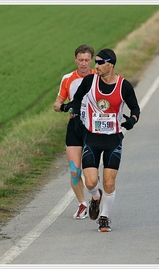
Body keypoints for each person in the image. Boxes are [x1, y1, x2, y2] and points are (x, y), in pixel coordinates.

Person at [70, 48, 140, 232]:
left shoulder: (123, 85)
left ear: (111, 64)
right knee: (91, 182)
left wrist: (131, 121)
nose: (96, 66)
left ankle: (104, 217)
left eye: (100, 62)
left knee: (109, 182)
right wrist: (77, 117)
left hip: (113, 140)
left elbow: (135, 109)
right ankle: (95, 196)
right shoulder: (90, 81)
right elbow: (77, 99)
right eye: (96, 62)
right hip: (92, 138)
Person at [53, 44, 96, 219]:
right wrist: (65, 107)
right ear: (75, 59)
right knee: (74, 171)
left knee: (90, 171)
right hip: (75, 126)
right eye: (80, 60)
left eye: (87, 60)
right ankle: (82, 204)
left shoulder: (98, 77)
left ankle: (96, 199)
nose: (84, 63)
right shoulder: (68, 78)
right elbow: (56, 105)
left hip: (93, 127)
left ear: (91, 60)